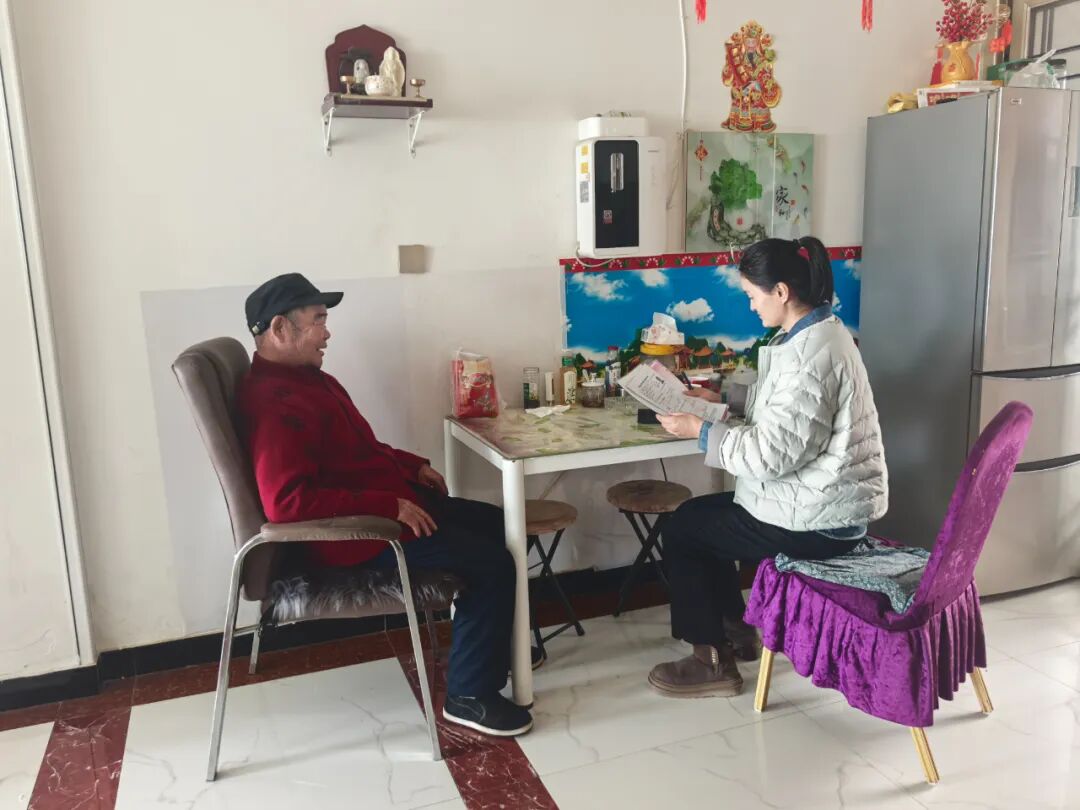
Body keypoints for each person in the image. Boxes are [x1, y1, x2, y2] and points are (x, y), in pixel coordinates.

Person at [235, 273, 533, 736]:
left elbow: (362, 451)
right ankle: (469, 696)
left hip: (389, 509)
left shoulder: (310, 381)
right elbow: (288, 503)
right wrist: (387, 506)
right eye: (318, 321)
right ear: (279, 328)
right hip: (360, 536)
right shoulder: (274, 404)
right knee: (492, 563)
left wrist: (411, 466)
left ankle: (491, 647)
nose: (328, 333)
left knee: (507, 526)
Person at [649, 237, 888, 697]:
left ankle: (711, 661)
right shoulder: (815, 334)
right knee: (697, 518)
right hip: (819, 503)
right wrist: (723, 398)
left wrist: (699, 430)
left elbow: (771, 454)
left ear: (781, 291)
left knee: (684, 531)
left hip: (821, 522)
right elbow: (785, 411)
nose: (751, 305)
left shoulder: (812, 353)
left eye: (752, 295)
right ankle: (736, 632)